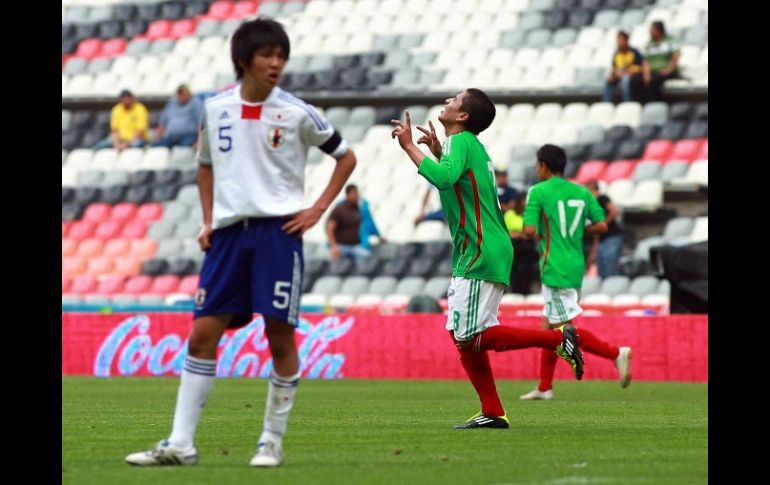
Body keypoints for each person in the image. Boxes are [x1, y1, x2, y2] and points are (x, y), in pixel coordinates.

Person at [125, 17, 357, 467]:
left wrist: (316, 210)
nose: (276, 64)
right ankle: (180, 444)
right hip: (229, 236)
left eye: (281, 56)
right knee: (200, 335)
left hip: (277, 233)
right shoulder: (215, 109)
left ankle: (271, 440)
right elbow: (206, 164)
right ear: (243, 59)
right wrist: (209, 219)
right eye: (267, 55)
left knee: (279, 334)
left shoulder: (296, 111)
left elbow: (346, 156)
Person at [390, 89, 585, 429]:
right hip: (479, 247)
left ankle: (558, 339)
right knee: (461, 335)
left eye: (455, 99)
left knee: (470, 336)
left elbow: (442, 178)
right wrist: (436, 150)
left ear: (463, 116)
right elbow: (458, 181)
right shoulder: (467, 146)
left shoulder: (462, 142)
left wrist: (409, 146)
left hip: (481, 248)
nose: (448, 100)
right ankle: (492, 411)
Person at [519, 144, 632, 401]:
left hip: (554, 266)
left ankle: (616, 353)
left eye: (537, 165)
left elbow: (528, 231)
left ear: (543, 166)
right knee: (549, 326)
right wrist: (577, 229)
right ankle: (545, 387)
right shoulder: (582, 192)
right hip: (575, 264)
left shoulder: (538, 191)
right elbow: (602, 225)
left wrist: (546, 230)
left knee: (564, 329)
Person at [633, 21, 681, 103]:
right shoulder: (649, 44)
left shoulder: (670, 41)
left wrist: (668, 69)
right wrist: (646, 74)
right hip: (654, 72)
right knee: (636, 80)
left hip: (668, 71)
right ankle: (643, 104)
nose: (650, 32)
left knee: (655, 80)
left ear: (659, 31)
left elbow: (675, 57)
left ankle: (658, 103)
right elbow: (646, 61)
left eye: (652, 29)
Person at [586, 181, 623, 278]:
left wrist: (604, 223)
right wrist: (594, 250)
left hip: (612, 237)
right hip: (602, 241)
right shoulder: (591, 208)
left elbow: (614, 211)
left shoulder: (602, 199)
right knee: (601, 267)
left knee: (610, 264)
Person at [326, 184, 371, 262]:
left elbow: (369, 223)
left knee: (367, 257)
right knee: (334, 261)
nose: (357, 196)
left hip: (355, 246)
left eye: (357, 194)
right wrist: (334, 246)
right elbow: (329, 228)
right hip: (341, 246)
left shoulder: (358, 209)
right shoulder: (339, 210)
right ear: (347, 195)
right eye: (355, 194)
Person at [504, 193, 537, 295]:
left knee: (528, 273)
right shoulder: (509, 214)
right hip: (514, 247)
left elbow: (534, 232)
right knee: (514, 273)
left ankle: (527, 293)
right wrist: (522, 234)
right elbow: (505, 232)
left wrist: (517, 233)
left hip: (528, 248)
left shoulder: (531, 215)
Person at [602, 31, 643, 103]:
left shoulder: (634, 52)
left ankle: (627, 103)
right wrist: (613, 75)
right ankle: (606, 104)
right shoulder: (616, 54)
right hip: (619, 77)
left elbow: (639, 67)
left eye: (621, 40)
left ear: (627, 40)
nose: (619, 43)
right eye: (618, 41)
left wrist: (626, 72)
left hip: (632, 77)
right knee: (607, 81)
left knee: (625, 80)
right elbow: (614, 68)